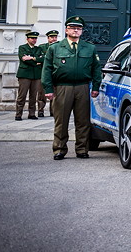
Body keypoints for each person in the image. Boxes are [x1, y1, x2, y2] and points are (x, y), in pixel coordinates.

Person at [42, 16, 102, 160]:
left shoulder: (89, 47)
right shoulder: (55, 48)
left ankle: (82, 149)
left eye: (79, 28)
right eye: (73, 28)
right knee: (61, 121)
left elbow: (96, 69)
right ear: (67, 29)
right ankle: (59, 149)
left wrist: (96, 87)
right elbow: (46, 70)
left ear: (82, 31)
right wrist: (48, 89)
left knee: (83, 121)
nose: (76, 30)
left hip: (82, 87)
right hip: (63, 88)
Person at [15, 31, 43, 121]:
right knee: (22, 95)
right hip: (25, 75)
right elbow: (23, 60)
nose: (34, 40)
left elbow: (43, 59)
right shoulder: (22, 48)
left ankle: (32, 113)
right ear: (27, 39)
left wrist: (31, 58)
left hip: (36, 75)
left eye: (35, 38)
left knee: (33, 96)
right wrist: (36, 62)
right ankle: (18, 114)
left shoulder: (38, 49)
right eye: (32, 38)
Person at [36, 29, 59, 117]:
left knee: (54, 94)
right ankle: (40, 111)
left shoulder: (59, 46)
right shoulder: (42, 47)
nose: (54, 39)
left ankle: (53, 111)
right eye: (52, 37)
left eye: (55, 37)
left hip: (55, 73)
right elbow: (39, 58)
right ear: (48, 38)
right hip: (44, 73)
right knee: (42, 93)